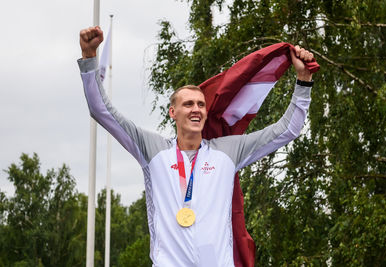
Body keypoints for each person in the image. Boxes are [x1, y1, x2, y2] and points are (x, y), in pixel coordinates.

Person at [78, 26, 314, 267]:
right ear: (173, 112)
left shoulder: (228, 151)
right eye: (188, 104)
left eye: (201, 105)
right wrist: (89, 58)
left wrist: (303, 83)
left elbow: (286, 130)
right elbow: (101, 110)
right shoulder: (152, 148)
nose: (196, 109)